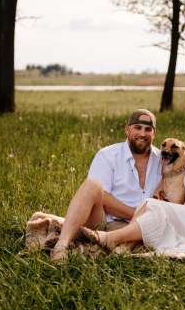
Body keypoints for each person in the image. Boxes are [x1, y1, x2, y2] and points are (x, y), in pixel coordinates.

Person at [83, 107, 185, 255]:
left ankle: (109, 238)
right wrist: (162, 191)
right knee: (150, 203)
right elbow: (175, 173)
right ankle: (124, 243)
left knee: (155, 208)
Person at [51, 108, 162, 261]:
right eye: (137, 128)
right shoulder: (108, 155)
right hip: (106, 221)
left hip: (143, 229)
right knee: (92, 185)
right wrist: (137, 215)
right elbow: (103, 199)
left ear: (154, 134)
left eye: (148, 129)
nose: (142, 134)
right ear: (127, 130)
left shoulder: (163, 160)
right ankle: (61, 246)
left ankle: (107, 246)